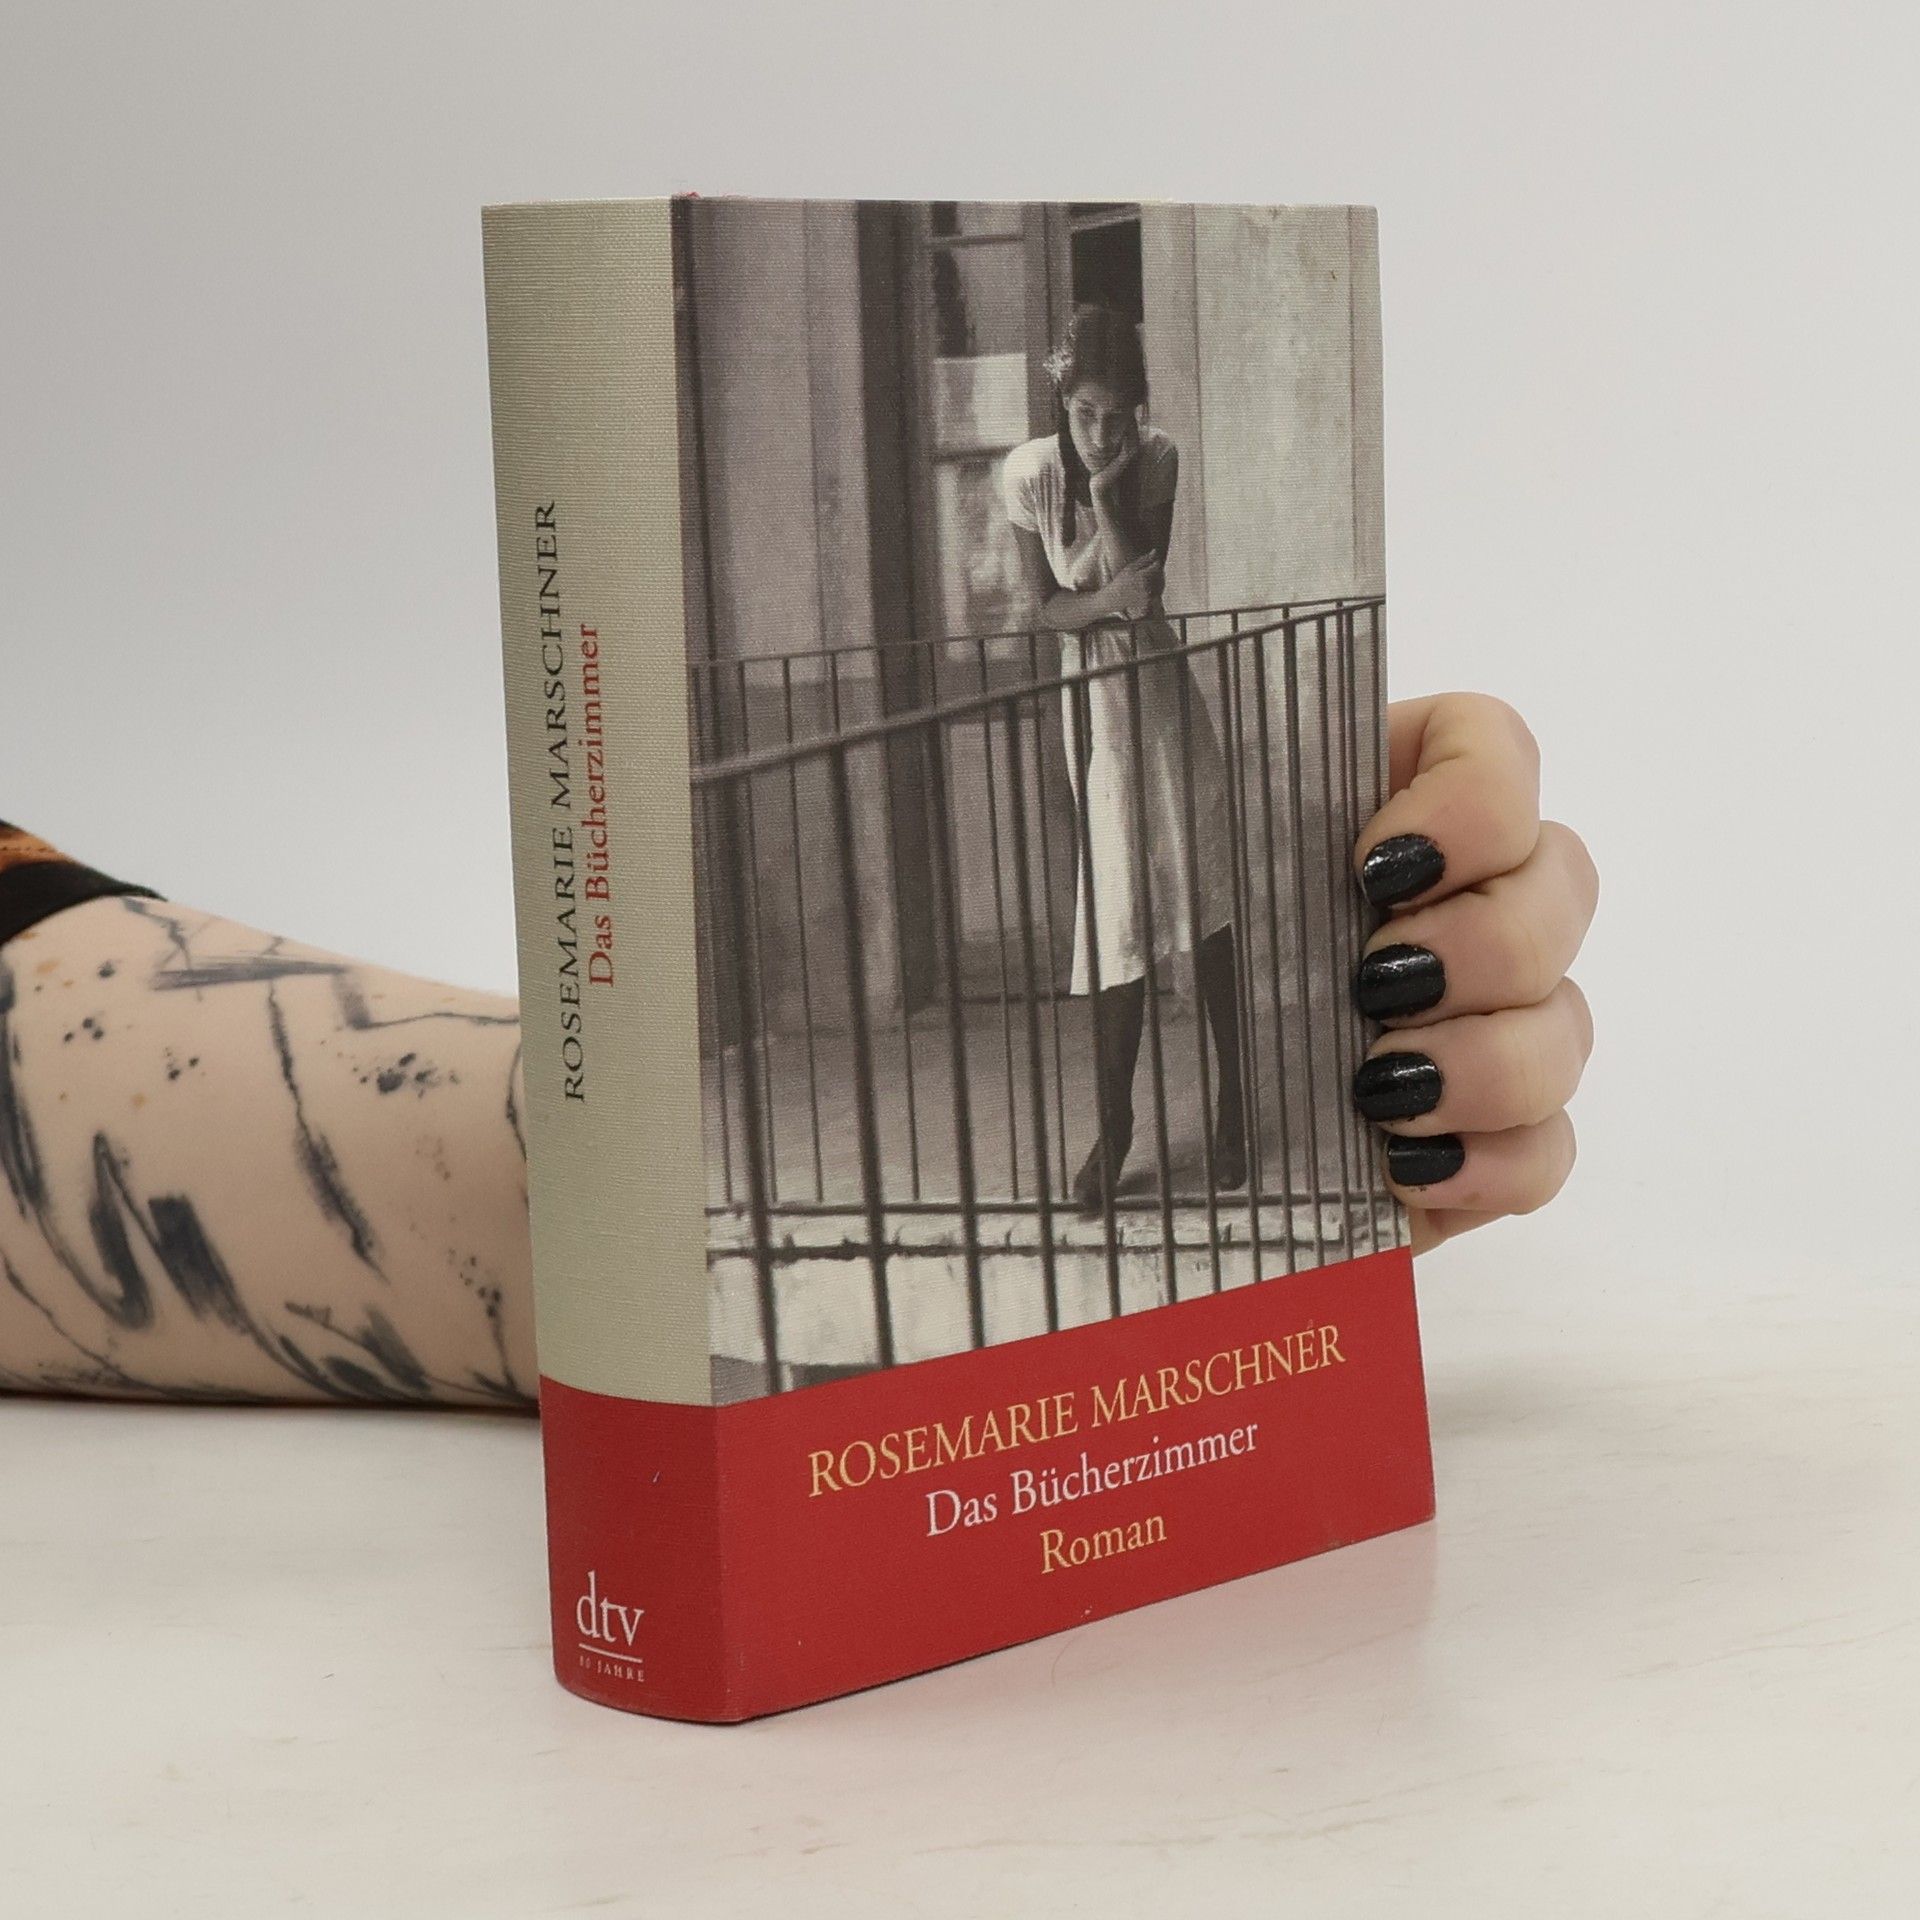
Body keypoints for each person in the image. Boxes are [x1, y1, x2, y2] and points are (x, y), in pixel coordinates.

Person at [0, 692, 1595, 1409]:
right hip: (1093, 718)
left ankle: (1213, 1130)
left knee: (1191, 930)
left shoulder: (1139, 460)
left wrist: (611, 1205)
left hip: (1135, 713)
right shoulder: (1054, 475)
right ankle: (1128, 1137)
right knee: (1115, 942)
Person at [1001, 303, 1244, 1217]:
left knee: (1204, 894)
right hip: (1094, 708)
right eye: (1085, 414)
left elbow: (1144, 596)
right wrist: (1101, 599)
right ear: (1062, 403)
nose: (1102, 434)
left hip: (1161, 698)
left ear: (1138, 410)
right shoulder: (1029, 475)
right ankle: (1116, 1127)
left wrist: (1107, 499)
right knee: (1116, 909)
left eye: (1118, 416)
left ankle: (1233, 1104)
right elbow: (1047, 609)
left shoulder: (1159, 458)